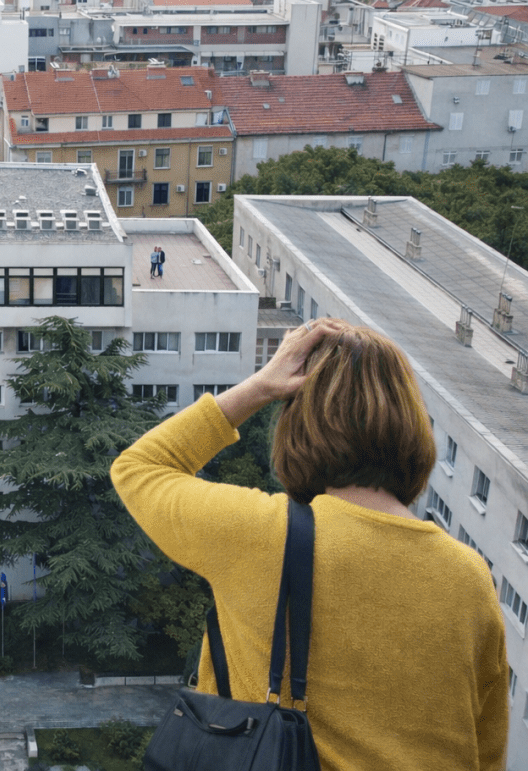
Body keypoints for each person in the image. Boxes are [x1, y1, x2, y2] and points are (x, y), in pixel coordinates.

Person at [111, 319, 508, 771]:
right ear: (411, 425)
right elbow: (487, 749)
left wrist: (261, 386)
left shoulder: (259, 533)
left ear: (299, 423)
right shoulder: (471, 577)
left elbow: (139, 467)